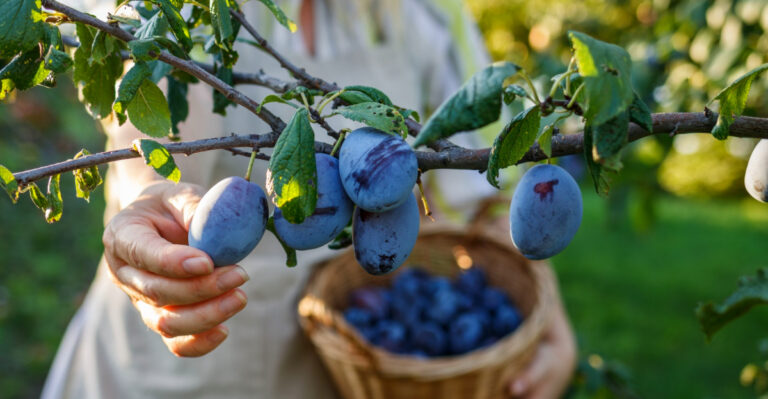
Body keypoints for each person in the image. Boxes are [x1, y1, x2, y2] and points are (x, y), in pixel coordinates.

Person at [42, 0, 576, 397]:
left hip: (339, 357)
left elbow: (491, 176)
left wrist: (547, 319)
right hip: (173, 364)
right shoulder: (196, 8)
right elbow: (163, 117)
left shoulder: (426, 11)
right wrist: (151, 195)